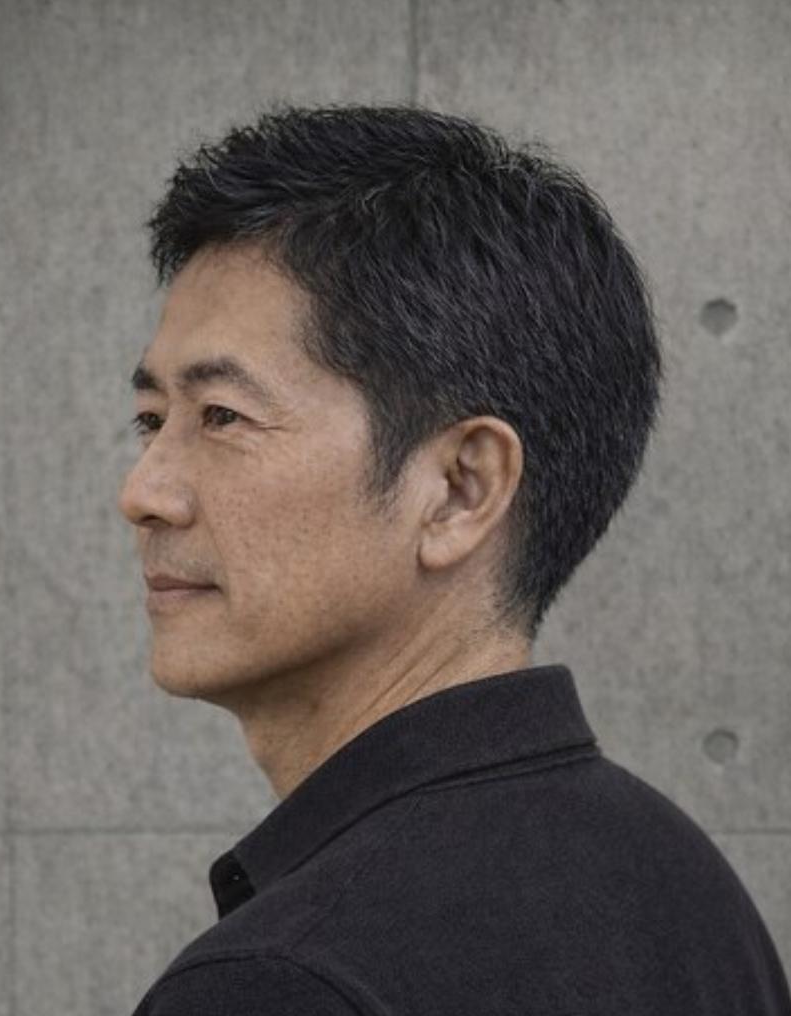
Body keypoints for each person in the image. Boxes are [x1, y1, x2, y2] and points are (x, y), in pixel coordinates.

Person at [117, 102, 791, 1015]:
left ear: (461, 489)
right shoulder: (687, 892)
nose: (144, 492)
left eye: (223, 417)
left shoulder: (285, 981)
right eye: (151, 420)